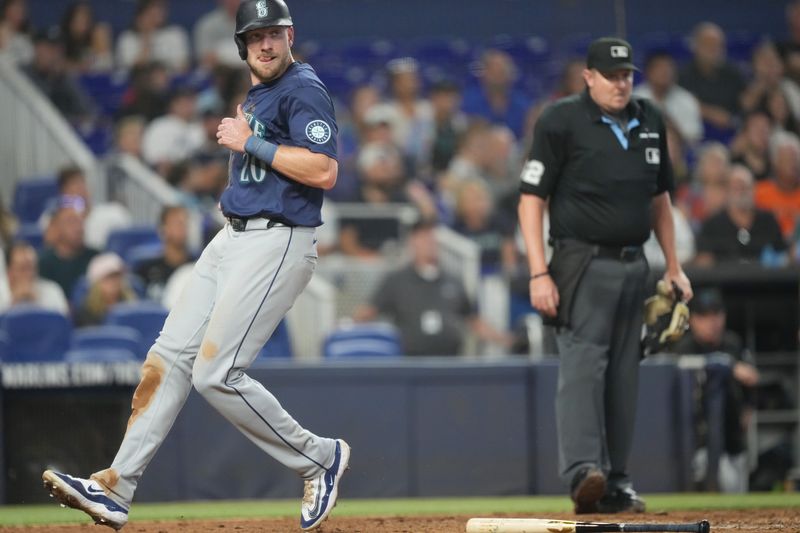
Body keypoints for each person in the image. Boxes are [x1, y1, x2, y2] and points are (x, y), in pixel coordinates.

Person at [42, 3, 349, 532]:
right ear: (242, 45)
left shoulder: (303, 87)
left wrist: (250, 140)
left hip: (278, 241)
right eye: (256, 37)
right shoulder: (261, 93)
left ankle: (318, 458)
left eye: (274, 34)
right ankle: (117, 486)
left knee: (216, 373)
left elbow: (324, 169)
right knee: (168, 356)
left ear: (290, 35)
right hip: (233, 237)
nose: (266, 44)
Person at [517, 37, 693, 514]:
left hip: (635, 263)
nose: (621, 83)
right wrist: (538, 272)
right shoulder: (560, 120)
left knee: (622, 377)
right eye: (611, 75)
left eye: (626, 75)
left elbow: (660, 200)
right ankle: (582, 473)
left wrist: (673, 266)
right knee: (582, 369)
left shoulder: (650, 119)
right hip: (581, 262)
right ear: (588, 77)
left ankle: (615, 481)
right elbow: (531, 199)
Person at [353, 218, 513, 356]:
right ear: (412, 242)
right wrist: (348, 327)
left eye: (431, 238)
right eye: (423, 238)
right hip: (410, 363)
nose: (428, 244)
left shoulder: (453, 280)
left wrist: (503, 339)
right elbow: (368, 312)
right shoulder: (396, 280)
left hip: (449, 361)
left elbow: (473, 319)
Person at [670, 288, 759, 492]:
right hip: (694, 440)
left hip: (732, 435)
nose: (712, 322)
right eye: (705, 316)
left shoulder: (732, 344)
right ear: (693, 320)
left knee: (735, 493)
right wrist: (727, 366)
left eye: (716, 315)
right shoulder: (685, 347)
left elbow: (752, 379)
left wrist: (749, 408)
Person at [694, 164, 787, 266]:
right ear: (727, 191)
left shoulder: (768, 220)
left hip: (766, 280)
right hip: (724, 280)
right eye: (736, 187)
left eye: (745, 187)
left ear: (753, 189)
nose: (741, 192)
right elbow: (704, 261)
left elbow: (783, 254)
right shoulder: (712, 224)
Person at [678, 22, 746, 140]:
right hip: (694, 134)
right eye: (708, 44)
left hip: (730, 132)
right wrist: (710, 113)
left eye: (718, 45)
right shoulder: (683, 74)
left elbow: (744, 103)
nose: (713, 49)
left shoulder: (733, 73)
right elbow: (678, 102)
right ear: (696, 46)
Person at [633, 50, 703, 145]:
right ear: (648, 72)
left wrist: (671, 126)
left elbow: (693, 141)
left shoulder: (686, 99)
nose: (665, 72)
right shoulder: (634, 98)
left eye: (669, 68)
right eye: (659, 68)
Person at [462, 49, 532, 139]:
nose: (498, 78)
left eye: (502, 72)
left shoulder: (522, 104)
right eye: (494, 72)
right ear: (484, 74)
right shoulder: (467, 101)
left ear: (510, 75)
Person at [37, 198, 98, 299]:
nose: (78, 227)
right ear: (56, 227)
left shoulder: (95, 258)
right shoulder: (42, 262)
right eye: (71, 222)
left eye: (80, 221)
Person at [134, 205, 193, 301]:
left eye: (185, 223)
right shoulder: (146, 269)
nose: (183, 228)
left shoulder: (196, 265)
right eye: (177, 223)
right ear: (163, 229)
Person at [116, 0, 190, 74]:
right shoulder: (127, 38)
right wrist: (146, 37)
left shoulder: (175, 33)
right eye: (151, 10)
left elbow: (183, 68)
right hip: (141, 82)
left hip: (171, 80)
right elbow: (133, 71)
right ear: (140, 15)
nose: (155, 14)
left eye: (159, 9)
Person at [0, 240, 68, 315]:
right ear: (9, 272)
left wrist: (36, 304)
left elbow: (62, 324)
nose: (29, 274)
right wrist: (14, 303)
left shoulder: (52, 291)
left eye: (31, 268)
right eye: (23, 269)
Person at [754, 130, 800, 239]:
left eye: (796, 160)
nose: (793, 165)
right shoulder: (759, 192)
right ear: (775, 162)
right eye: (788, 160)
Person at [74, 252, 137, 327]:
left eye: (117, 276)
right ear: (96, 283)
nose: (114, 282)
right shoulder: (86, 312)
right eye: (109, 278)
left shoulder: (131, 306)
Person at [59, 0, 113, 73]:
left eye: (86, 20)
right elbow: (58, 64)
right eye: (79, 20)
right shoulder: (62, 38)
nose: (83, 25)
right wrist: (78, 66)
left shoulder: (95, 37)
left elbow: (106, 66)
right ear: (70, 21)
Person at [193, 0, 240, 69]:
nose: (233, 1)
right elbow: (205, 58)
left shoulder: (254, 23)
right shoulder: (207, 24)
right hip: (217, 74)